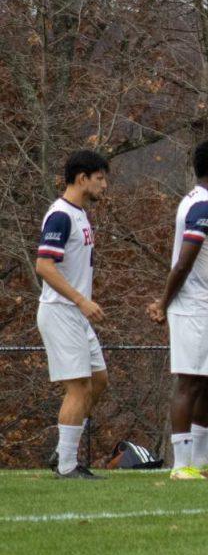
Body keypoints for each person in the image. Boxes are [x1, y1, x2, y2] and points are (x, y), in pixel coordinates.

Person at [146, 142, 208, 480]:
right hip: (192, 308)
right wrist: (163, 302)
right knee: (189, 382)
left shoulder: (205, 203)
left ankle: (201, 463)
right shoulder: (202, 207)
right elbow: (184, 261)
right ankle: (181, 464)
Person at [36, 149, 110, 479]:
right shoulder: (61, 215)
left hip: (75, 314)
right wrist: (81, 299)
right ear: (82, 179)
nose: (104, 185)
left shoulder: (79, 213)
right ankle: (67, 465)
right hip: (61, 311)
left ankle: (62, 451)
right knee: (78, 388)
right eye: (100, 178)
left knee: (98, 380)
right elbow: (44, 265)